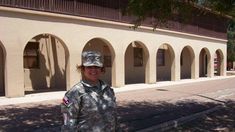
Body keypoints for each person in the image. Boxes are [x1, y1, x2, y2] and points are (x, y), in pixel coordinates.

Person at [61, 51, 119, 132]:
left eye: (96, 67)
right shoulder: (75, 93)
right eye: (89, 67)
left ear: (101, 69)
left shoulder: (108, 90)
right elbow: (68, 124)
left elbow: (114, 117)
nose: (93, 70)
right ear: (83, 69)